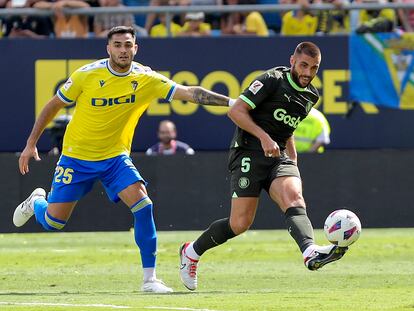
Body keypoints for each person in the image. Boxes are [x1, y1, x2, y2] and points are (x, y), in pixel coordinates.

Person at [13, 26, 231, 294]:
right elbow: (53, 105)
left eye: (128, 45)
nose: (123, 50)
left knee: (143, 205)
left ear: (135, 48)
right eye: (117, 45)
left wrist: (233, 103)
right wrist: (30, 143)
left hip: (115, 157)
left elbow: (190, 93)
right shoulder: (87, 74)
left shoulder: (146, 78)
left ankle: (149, 279)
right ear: (108, 48)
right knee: (54, 222)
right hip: (76, 158)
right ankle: (37, 202)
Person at [179, 42, 348, 291]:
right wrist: (264, 137)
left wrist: (292, 160)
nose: (308, 73)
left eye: (314, 68)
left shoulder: (311, 95)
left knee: (294, 196)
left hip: (277, 155)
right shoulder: (271, 79)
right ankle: (191, 252)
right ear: (292, 60)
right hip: (247, 151)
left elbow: (287, 129)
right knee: (240, 223)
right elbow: (236, 111)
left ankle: (309, 251)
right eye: (303, 65)